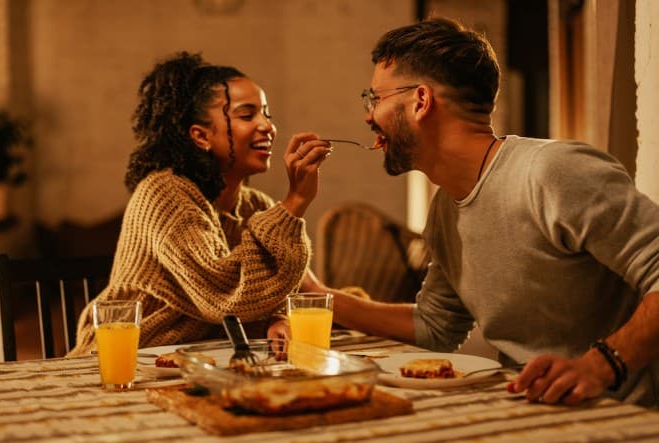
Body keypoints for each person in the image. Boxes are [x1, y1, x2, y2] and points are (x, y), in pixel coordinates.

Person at [271, 18, 659, 407]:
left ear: (421, 101)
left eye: (375, 99)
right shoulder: (445, 209)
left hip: (620, 412)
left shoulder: (553, 172)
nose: (368, 116)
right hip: (529, 408)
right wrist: (319, 295)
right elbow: (434, 326)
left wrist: (599, 366)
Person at [68, 52, 336, 355]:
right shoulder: (164, 194)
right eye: (248, 115)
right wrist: (296, 200)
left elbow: (275, 292)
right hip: (121, 360)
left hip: (201, 361)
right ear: (200, 136)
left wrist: (275, 321)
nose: (267, 127)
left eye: (267, 114)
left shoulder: (256, 206)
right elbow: (224, 299)